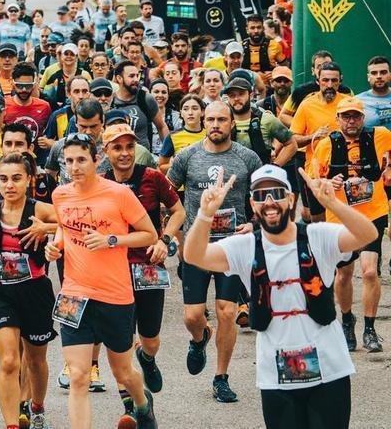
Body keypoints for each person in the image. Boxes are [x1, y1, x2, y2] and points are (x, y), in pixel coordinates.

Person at [185, 165, 374, 429]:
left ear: (291, 199)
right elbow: (194, 256)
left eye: (276, 193)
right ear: (253, 204)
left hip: (330, 369)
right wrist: (205, 215)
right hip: (276, 374)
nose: (269, 202)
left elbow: (368, 235)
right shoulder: (245, 246)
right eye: (261, 196)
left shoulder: (318, 236)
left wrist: (332, 204)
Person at [46, 133, 158, 429]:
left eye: (81, 159)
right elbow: (63, 227)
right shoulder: (61, 195)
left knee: (124, 373)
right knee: (79, 376)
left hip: (114, 295)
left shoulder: (118, 193)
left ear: (97, 160)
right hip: (74, 293)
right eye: (69, 161)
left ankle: (143, 404)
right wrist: (55, 244)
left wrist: (112, 239)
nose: (75, 166)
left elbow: (149, 235)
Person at [167, 101, 262, 403]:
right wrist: (176, 236)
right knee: (193, 316)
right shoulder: (187, 157)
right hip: (198, 247)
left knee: (228, 311)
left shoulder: (247, 158)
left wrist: (255, 226)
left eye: (222, 119)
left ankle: (221, 377)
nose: (216, 124)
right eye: (211, 119)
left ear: (233, 123)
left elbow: (265, 198)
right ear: (203, 122)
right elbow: (168, 198)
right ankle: (199, 338)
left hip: (232, 247)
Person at [0, 153, 58, 429]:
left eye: (16, 178)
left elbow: (71, 223)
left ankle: (37, 404)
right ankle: (10, 424)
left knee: (35, 359)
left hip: (34, 289)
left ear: (29, 180)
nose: (9, 185)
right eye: (4, 179)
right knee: (9, 360)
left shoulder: (40, 209)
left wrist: (47, 228)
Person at [101, 123, 185, 400]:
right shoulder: (100, 183)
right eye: (117, 147)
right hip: (113, 272)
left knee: (149, 339)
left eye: (129, 147)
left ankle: (147, 359)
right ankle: (129, 402)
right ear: (106, 151)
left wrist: (166, 240)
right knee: (120, 341)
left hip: (149, 267)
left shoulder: (152, 177)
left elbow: (178, 211)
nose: (125, 153)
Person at [310, 98, 391, 352]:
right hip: (341, 217)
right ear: (338, 119)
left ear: (363, 118)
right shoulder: (326, 145)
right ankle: (347, 320)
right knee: (344, 274)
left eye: (356, 116)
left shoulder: (381, 136)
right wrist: (327, 183)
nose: (351, 121)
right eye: (346, 116)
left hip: (373, 212)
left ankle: (369, 329)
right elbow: (314, 180)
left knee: (369, 271)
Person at [290, 61, 352, 223]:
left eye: (334, 80)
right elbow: (293, 140)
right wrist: (313, 136)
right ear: (318, 81)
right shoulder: (307, 105)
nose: (329, 85)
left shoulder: (349, 103)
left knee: (346, 220)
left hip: (347, 170)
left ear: (340, 81)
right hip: (317, 173)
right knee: (318, 221)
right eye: (325, 80)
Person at [225, 77, 297, 168]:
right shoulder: (222, 120)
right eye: (232, 95)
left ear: (251, 96)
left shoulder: (266, 119)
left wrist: (274, 166)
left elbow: (292, 144)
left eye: (241, 94)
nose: (236, 98)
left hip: (260, 177)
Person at [111, 60, 169, 152]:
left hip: (142, 158)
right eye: (131, 76)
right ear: (119, 78)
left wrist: (168, 153)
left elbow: (161, 127)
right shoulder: (111, 101)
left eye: (137, 75)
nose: (136, 80)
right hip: (118, 157)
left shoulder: (145, 99)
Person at [158, 94, 206, 174]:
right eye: (186, 109)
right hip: (181, 185)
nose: (190, 113)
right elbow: (162, 166)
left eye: (194, 108)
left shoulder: (210, 135)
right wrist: (179, 165)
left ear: (202, 112)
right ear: (181, 113)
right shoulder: (172, 137)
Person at [241, 14, 287, 85]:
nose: (256, 31)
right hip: (247, 88)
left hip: (269, 88)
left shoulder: (274, 45)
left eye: (259, 27)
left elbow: (285, 67)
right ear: (247, 30)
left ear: (263, 28)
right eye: (252, 28)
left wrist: (275, 73)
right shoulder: (240, 47)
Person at [357, 56, 391, 129]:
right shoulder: (357, 101)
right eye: (374, 73)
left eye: (383, 72)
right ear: (368, 77)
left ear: (390, 75)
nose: (378, 76)